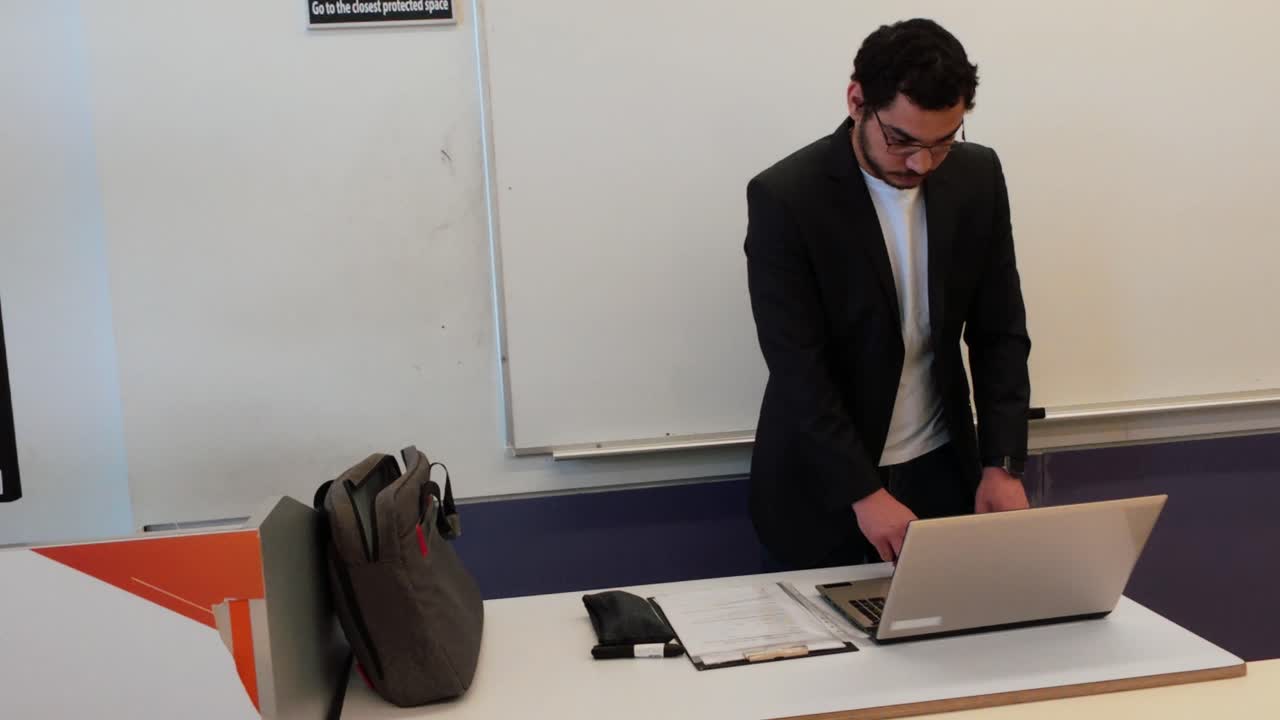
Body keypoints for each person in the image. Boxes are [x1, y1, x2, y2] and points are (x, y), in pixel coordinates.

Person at [744, 18, 1032, 569]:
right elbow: (797, 365)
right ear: (857, 100)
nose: (921, 163)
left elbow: (1000, 331)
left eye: (943, 143)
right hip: (823, 490)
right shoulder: (787, 197)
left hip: (944, 472)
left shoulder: (977, 177)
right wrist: (863, 491)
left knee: (955, 646)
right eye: (901, 141)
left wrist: (1002, 463)